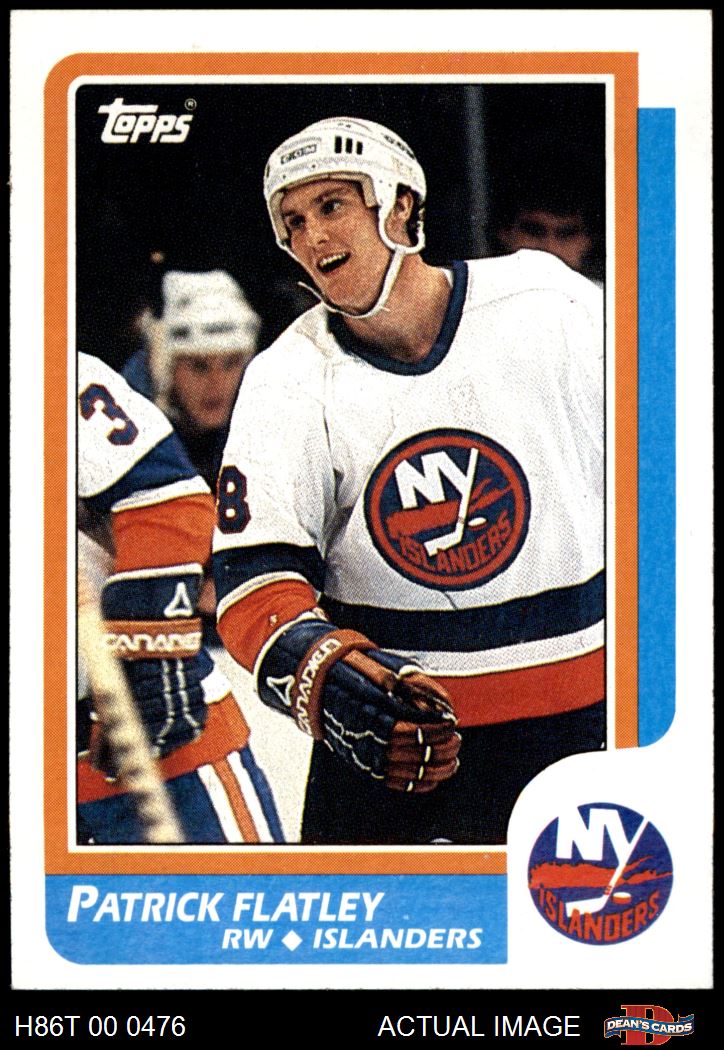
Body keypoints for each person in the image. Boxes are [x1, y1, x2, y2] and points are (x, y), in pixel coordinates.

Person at [212, 117, 604, 845]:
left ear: (399, 205)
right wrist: (331, 679)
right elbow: (252, 586)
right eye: (293, 221)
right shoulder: (286, 379)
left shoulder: (550, 304)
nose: (313, 236)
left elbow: (666, 462)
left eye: (332, 205)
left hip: (579, 729)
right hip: (399, 750)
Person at [77, 351, 284, 843]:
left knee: (244, 896)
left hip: (140, 735)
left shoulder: (48, 374)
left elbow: (168, 503)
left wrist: (150, 653)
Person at [123, 269, 262, 641]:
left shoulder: (262, 412)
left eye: (231, 363)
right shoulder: (131, 420)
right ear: (168, 366)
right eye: (199, 365)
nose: (217, 384)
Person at [489, 183, 603, 282]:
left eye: (566, 234)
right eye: (534, 232)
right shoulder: (480, 294)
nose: (550, 248)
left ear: (588, 240)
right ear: (504, 233)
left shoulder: (603, 297)